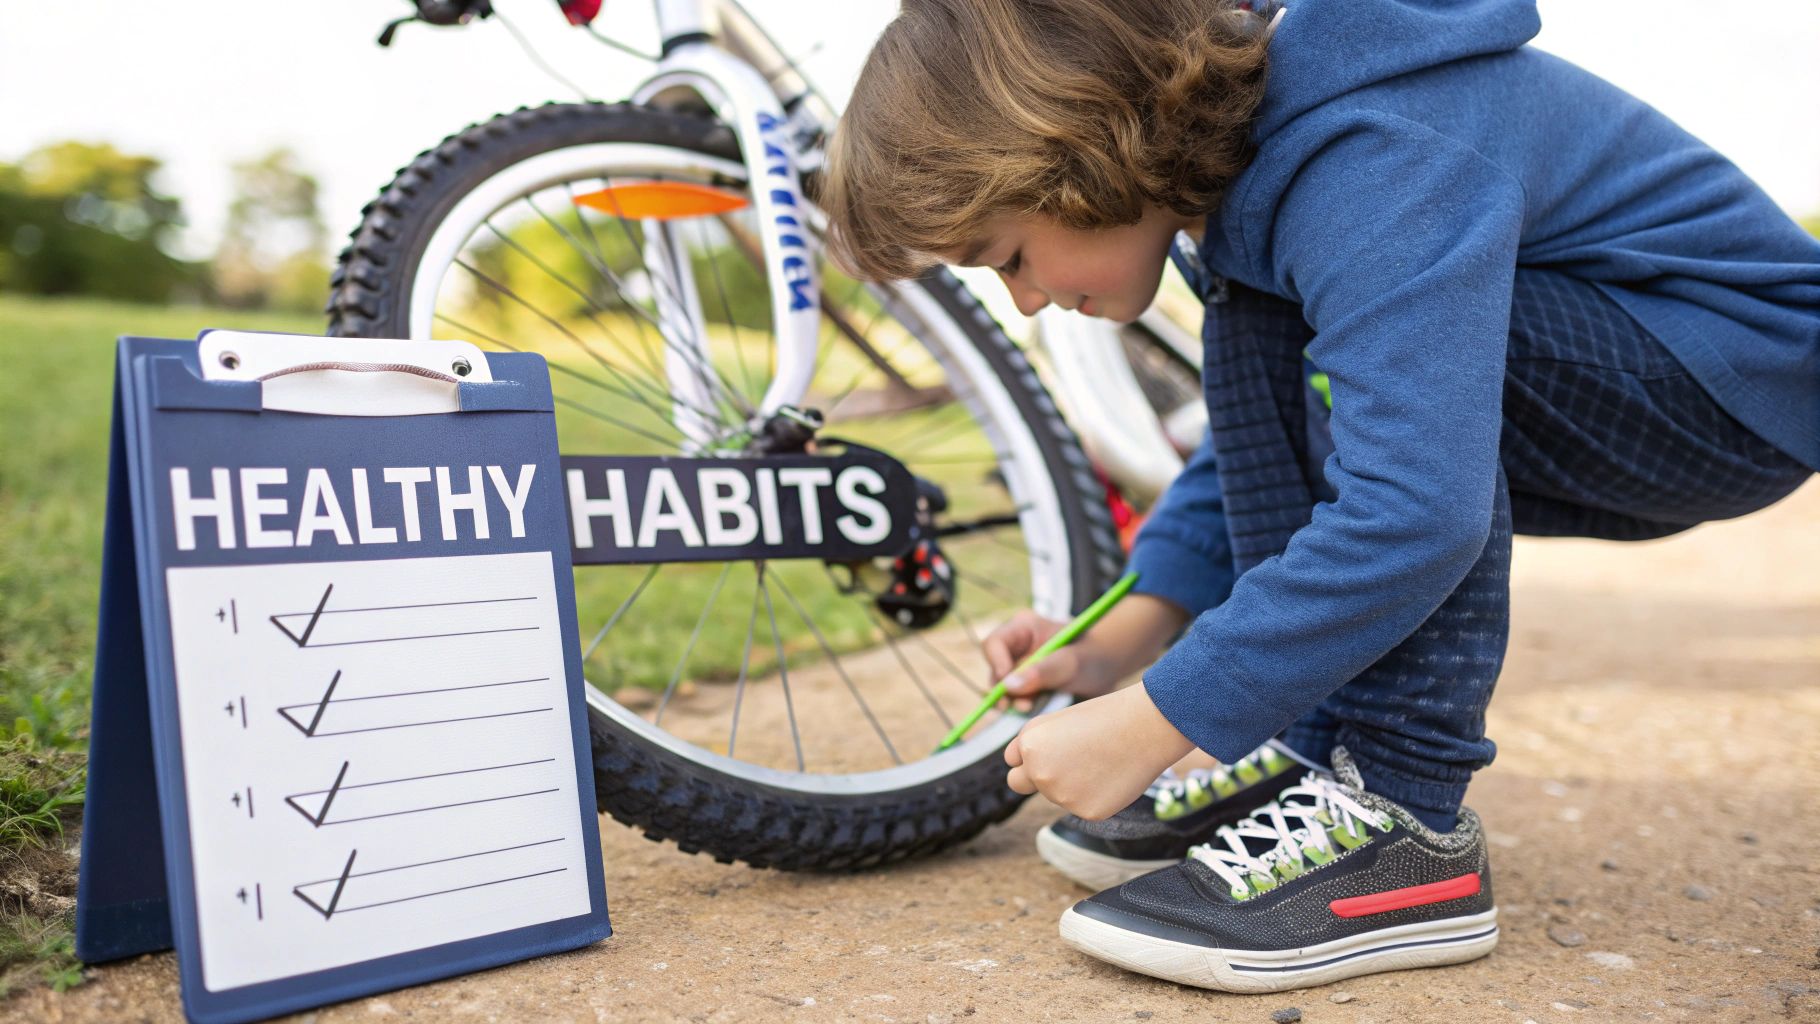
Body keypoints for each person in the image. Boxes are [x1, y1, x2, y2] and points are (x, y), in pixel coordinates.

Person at [818, 0, 1820, 993]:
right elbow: (1257, 442)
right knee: (1307, 353)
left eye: (1008, 259)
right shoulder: (1254, 172)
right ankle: (1322, 757)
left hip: (1738, 381)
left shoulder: (1363, 150)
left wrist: (1162, 716)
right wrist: (1121, 638)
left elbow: (1414, 506)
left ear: (1074, 154)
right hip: (1650, 370)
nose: (1027, 300)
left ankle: (1402, 815)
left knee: (1383, 397)